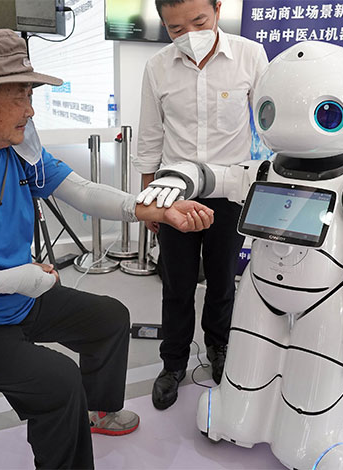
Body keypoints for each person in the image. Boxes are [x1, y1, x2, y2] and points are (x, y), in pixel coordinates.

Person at [0, 28, 215, 469]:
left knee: (109, 318)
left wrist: (152, 209)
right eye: (19, 97)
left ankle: (97, 412)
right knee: (59, 382)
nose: (30, 110)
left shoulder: (15, 149)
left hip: (17, 298)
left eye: (30, 95)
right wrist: (19, 278)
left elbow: (81, 190)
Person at [133, 0, 268, 410]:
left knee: (223, 279)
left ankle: (219, 347)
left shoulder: (250, 56)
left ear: (217, 9)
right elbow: (150, 135)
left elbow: (269, 123)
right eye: (176, 29)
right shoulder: (157, 67)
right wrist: (149, 200)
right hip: (175, 192)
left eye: (199, 21)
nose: (189, 35)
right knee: (176, 283)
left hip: (230, 190)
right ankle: (173, 363)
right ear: (163, 24)